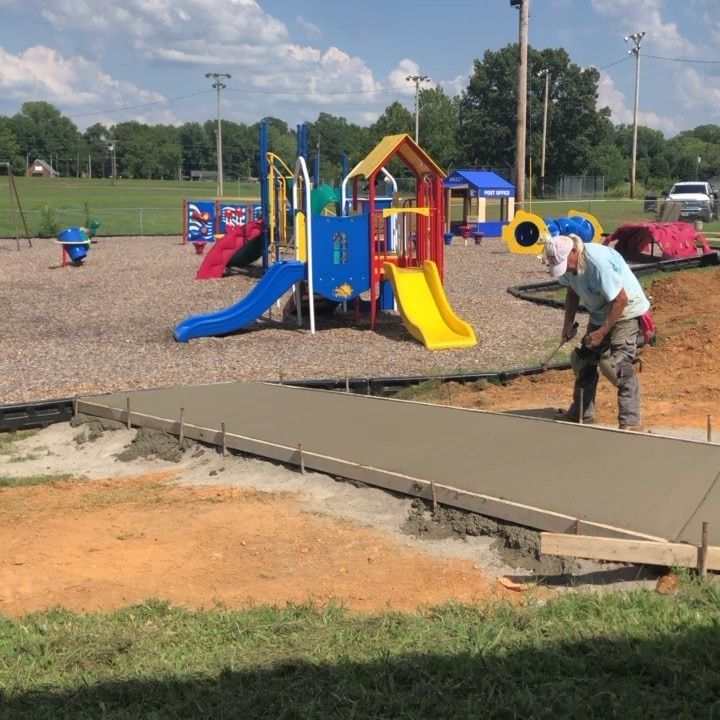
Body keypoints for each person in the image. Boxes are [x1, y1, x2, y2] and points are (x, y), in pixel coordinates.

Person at [543, 234, 650, 429]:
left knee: (616, 366)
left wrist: (601, 333)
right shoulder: (568, 263)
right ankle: (581, 414)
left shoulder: (598, 264)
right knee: (583, 360)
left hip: (626, 310)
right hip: (600, 312)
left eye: (564, 263)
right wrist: (568, 323)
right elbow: (572, 290)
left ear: (574, 251)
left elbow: (621, 300)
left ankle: (631, 421)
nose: (564, 268)